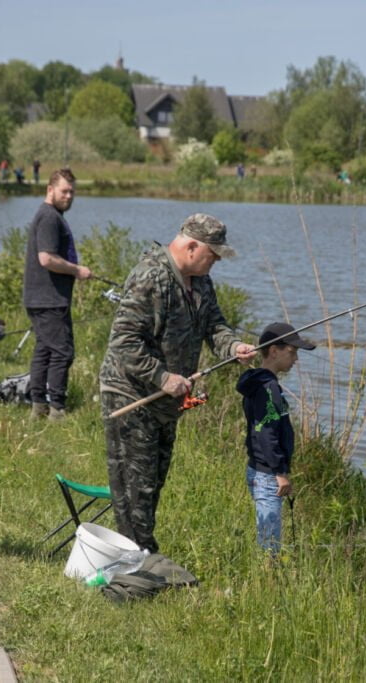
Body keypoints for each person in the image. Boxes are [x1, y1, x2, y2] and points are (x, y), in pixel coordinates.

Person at [99, 214, 257, 552]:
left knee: (152, 484)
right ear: (191, 246)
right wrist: (162, 376)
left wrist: (233, 347)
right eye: (213, 254)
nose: (216, 261)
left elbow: (214, 325)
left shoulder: (201, 281)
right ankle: (136, 560)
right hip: (130, 395)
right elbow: (124, 341)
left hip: (166, 403)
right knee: (135, 490)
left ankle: (137, 557)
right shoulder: (150, 276)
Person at [236, 322, 315, 554]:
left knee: (268, 535)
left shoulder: (259, 382)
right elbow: (266, 432)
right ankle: (268, 572)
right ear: (273, 351)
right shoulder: (268, 387)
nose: (296, 359)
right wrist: (280, 473)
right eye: (292, 352)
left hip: (260, 469)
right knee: (270, 544)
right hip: (268, 474)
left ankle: (268, 569)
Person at [23, 168, 92, 420]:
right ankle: (57, 409)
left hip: (44, 297)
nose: (69, 196)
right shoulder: (49, 217)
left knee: (45, 350)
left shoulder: (50, 215)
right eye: (64, 191)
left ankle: (39, 406)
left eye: (72, 192)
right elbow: (46, 258)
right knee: (63, 352)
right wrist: (77, 270)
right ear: (50, 189)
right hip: (48, 298)